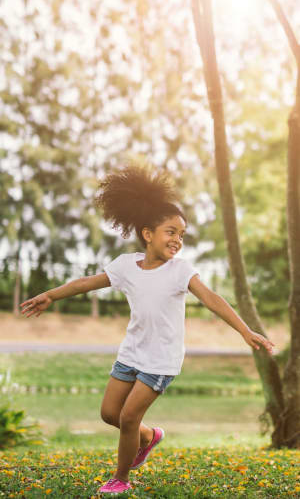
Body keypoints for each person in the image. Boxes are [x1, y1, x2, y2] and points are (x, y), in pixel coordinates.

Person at [20, 164, 275, 495]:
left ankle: (121, 479)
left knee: (127, 417)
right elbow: (88, 282)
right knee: (110, 413)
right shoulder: (126, 266)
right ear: (147, 233)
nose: (177, 240)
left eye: (181, 234)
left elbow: (212, 298)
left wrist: (245, 330)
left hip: (162, 359)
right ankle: (149, 436)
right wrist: (50, 295)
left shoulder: (180, 270)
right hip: (132, 351)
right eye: (171, 231)